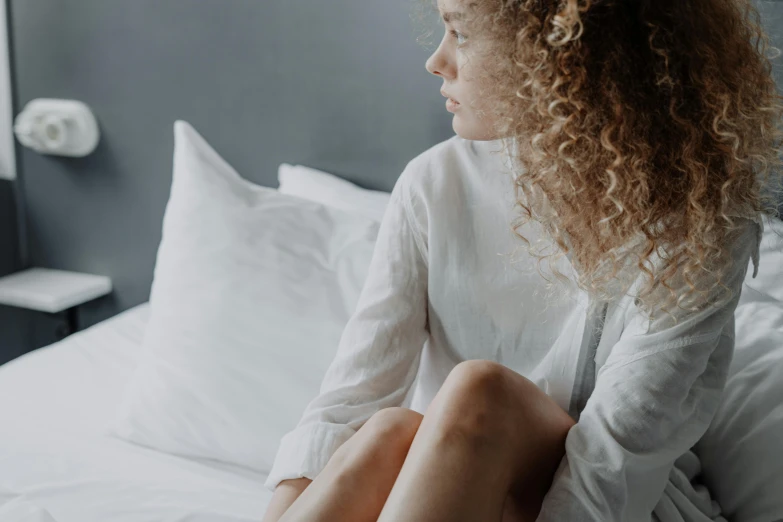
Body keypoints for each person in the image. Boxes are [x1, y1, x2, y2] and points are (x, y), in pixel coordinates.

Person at [262, 0, 783, 520]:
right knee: (389, 430)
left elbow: (610, 461)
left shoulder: (696, 222)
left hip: (611, 506)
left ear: (559, 53)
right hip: (453, 492)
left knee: (479, 393)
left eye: (459, 33)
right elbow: (349, 403)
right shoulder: (433, 184)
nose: (436, 61)